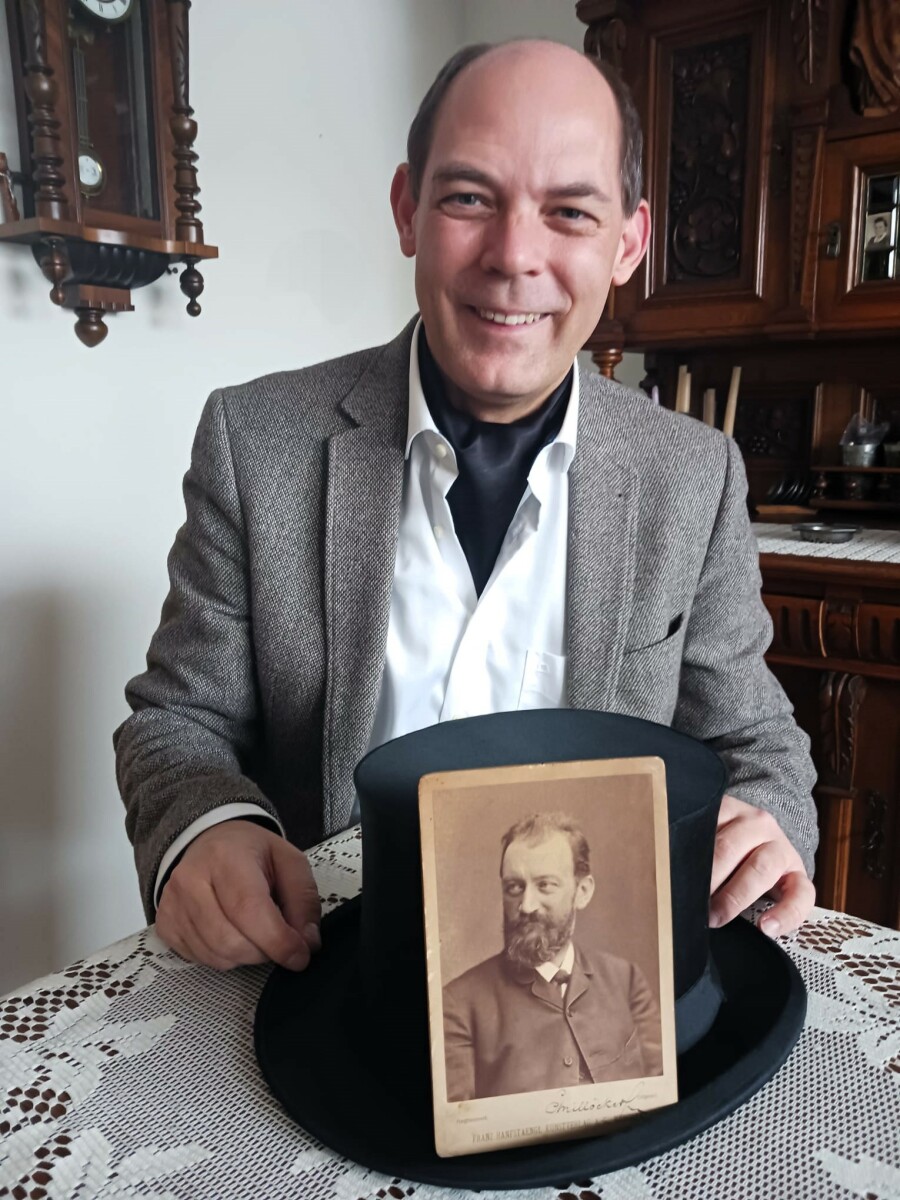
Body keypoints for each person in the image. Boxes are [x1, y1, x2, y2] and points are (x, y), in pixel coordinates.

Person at [114, 40, 818, 974]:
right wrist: (204, 827)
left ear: (628, 244)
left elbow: (757, 741)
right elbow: (176, 721)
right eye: (469, 198)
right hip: (341, 980)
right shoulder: (255, 443)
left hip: (593, 981)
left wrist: (769, 827)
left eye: (570, 211)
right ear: (408, 208)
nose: (514, 257)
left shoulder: (697, 475)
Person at [442, 813, 663, 1101]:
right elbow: (462, 1126)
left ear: (582, 892)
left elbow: (661, 1090)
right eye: (514, 887)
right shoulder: (459, 1004)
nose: (526, 905)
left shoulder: (626, 979)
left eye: (545, 885)